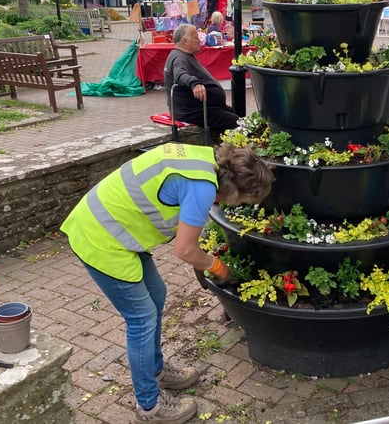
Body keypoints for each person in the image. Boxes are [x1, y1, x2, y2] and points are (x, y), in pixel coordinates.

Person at [61, 142, 274, 424]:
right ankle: (149, 406)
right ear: (234, 191)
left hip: (111, 226)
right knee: (142, 319)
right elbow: (186, 250)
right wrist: (220, 268)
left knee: (157, 294)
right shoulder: (202, 188)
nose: (236, 206)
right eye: (243, 202)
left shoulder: (204, 158)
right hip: (101, 238)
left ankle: (157, 369)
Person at [164, 24, 240, 131]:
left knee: (239, 117)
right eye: (196, 38)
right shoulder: (179, 57)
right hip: (190, 111)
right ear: (185, 41)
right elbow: (179, 75)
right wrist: (194, 83)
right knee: (236, 122)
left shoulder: (182, 55)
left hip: (202, 107)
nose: (199, 40)